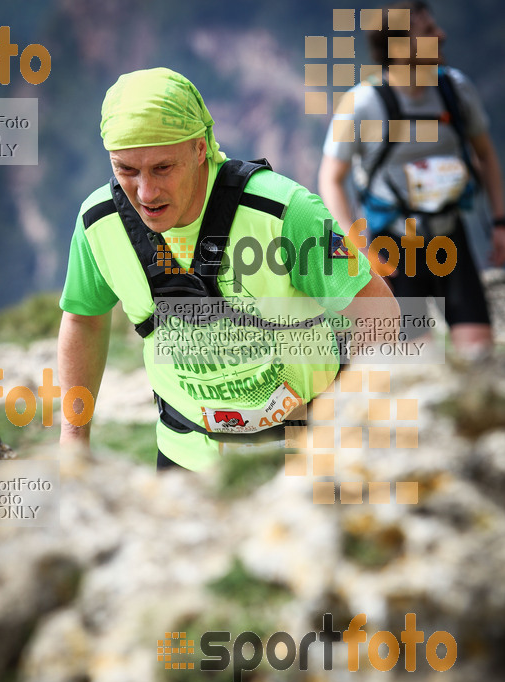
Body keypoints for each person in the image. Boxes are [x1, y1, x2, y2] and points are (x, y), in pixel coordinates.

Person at [58, 67, 398, 471]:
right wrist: (74, 440)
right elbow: (84, 321)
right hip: (185, 463)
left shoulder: (284, 211)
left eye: (163, 168)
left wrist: (348, 421)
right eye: (126, 170)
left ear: (200, 148)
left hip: (306, 458)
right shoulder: (99, 223)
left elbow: (379, 316)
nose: (145, 193)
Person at [318, 0, 505, 354]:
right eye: (429, 32)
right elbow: (330, 178)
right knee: (416, 362)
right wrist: (359, 249)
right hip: (393, 249)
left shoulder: (455, 90)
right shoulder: (363, 105)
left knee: (479, 356)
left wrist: (499, 222)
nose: (442, 35)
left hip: (451, 236)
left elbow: (486, 155)